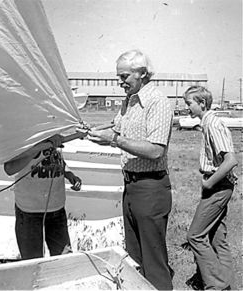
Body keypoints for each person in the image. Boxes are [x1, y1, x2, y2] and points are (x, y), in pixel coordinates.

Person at [88, 49, 174, 290]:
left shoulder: (157, 101)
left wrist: (115, 139)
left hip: (151, 188)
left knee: (154, 263)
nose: (120, 82)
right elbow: (114, 125)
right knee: (135, 258)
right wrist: (87, 130)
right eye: (119, 76)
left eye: (124, 76)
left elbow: (156, 150)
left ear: (143, 74)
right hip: (132, 186)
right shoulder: (129, 101)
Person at [183, 86, 237, 290]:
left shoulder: (213, 124)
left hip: (217, 186)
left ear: (202, 104)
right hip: (218, 184)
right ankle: (228, 283)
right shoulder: (207, 123)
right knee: (216, 237)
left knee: (194, 236)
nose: (186, 107)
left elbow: (231, 160)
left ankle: (216, 285)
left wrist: (209, 182)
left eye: (189, 103)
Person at [4, 134, 82, 259]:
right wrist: (38, 146)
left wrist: (69, 174)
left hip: (56, 208)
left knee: (64, 259)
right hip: (29, 210)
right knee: (33, 262)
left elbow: (56, 158)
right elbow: (9, 168)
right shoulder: (23, 136)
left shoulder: (53, 132)